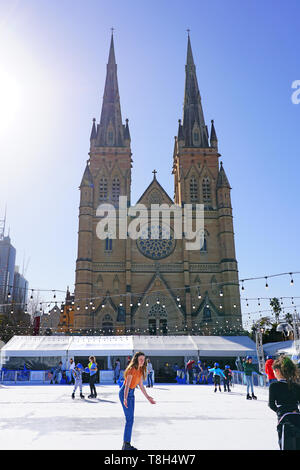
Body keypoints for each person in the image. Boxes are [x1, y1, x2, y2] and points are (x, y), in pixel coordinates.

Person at [119, 351, 156, 450]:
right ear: (136, 360)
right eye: (140, 359)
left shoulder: (140, 370)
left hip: (131, 394)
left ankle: (126, 444)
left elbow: (140, 385)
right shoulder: (132, 369)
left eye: (143, 360)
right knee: (129, 419)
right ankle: (126, 445)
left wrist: (148, 397)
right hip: (125, 393)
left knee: (131, 419)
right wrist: (125, 398)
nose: (142, 361)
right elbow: (127, 385)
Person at [268, 355, 300, 450]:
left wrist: (280, 412)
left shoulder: (274, 386)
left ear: (277, 371)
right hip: (297, 418)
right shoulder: (296, 386)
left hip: (284, 420)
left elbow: (271, 404)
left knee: (285, 444)